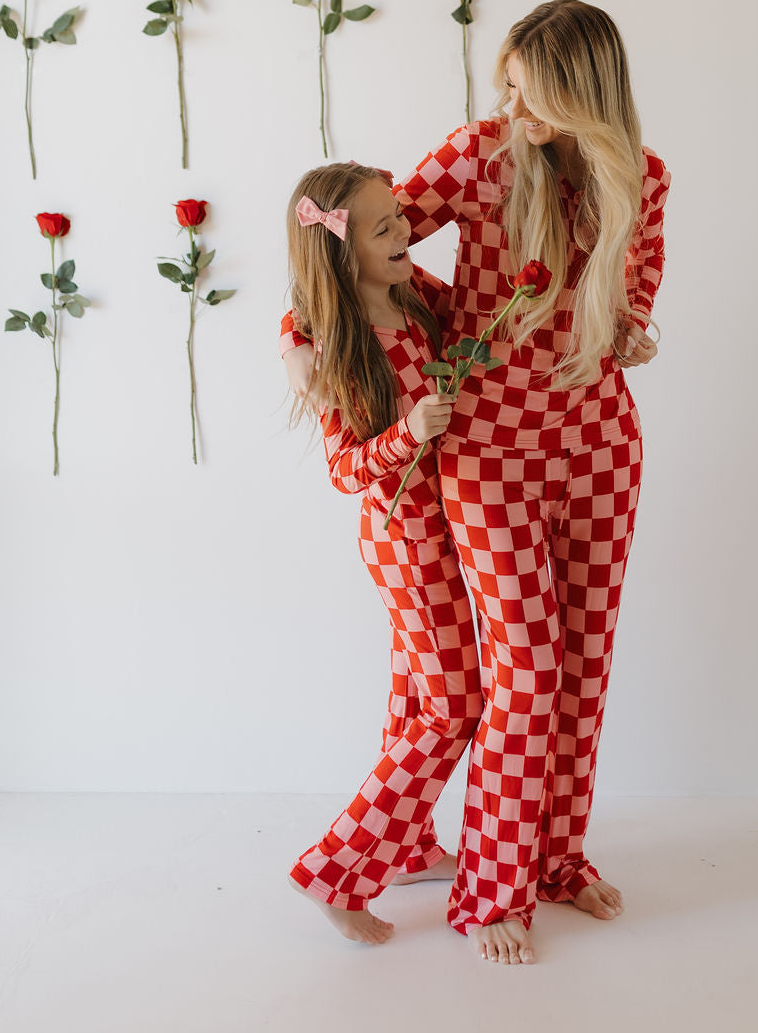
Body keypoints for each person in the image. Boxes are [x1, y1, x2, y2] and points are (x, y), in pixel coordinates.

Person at [284, 0, 670, 964]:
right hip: (486, 455)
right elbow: (352, 243)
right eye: (507, 89)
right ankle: (494, 888)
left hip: (600, 448)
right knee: (526, 673)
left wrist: (627, 332)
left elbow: (634, 299)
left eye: (530, 97)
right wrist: (302, 336)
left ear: (584, 100)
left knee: (582, 670)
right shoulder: (477, 159)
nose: (511, 110)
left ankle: (556, 859)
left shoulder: (644, 183)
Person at [282, 161, 482, 945]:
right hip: (406, 541)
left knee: (414, 697)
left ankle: (409, 847)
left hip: (447, 527)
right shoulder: (342, 345)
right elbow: (344, 471)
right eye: (384, 227)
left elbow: (477, 314)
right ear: (343, 251)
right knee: (453, 707)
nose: (406, 232)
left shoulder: (413, 297)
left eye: (400, 216)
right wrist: (408, 433)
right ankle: (334, 872)